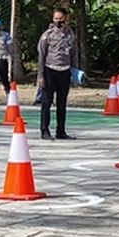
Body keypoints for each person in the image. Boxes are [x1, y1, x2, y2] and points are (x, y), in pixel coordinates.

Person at [36, 7, 78, 140]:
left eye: (61, 19)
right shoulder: (47, 35)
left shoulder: (70, 34)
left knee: (62, 103)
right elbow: (41, 56)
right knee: (46, 102)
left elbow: (73, 54)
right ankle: (44, 130)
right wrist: (41, 76)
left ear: (66, 18)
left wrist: (74, 72)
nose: (58, 21)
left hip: (64, 72)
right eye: (56, 19)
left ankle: (61, 131)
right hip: (50, 71)